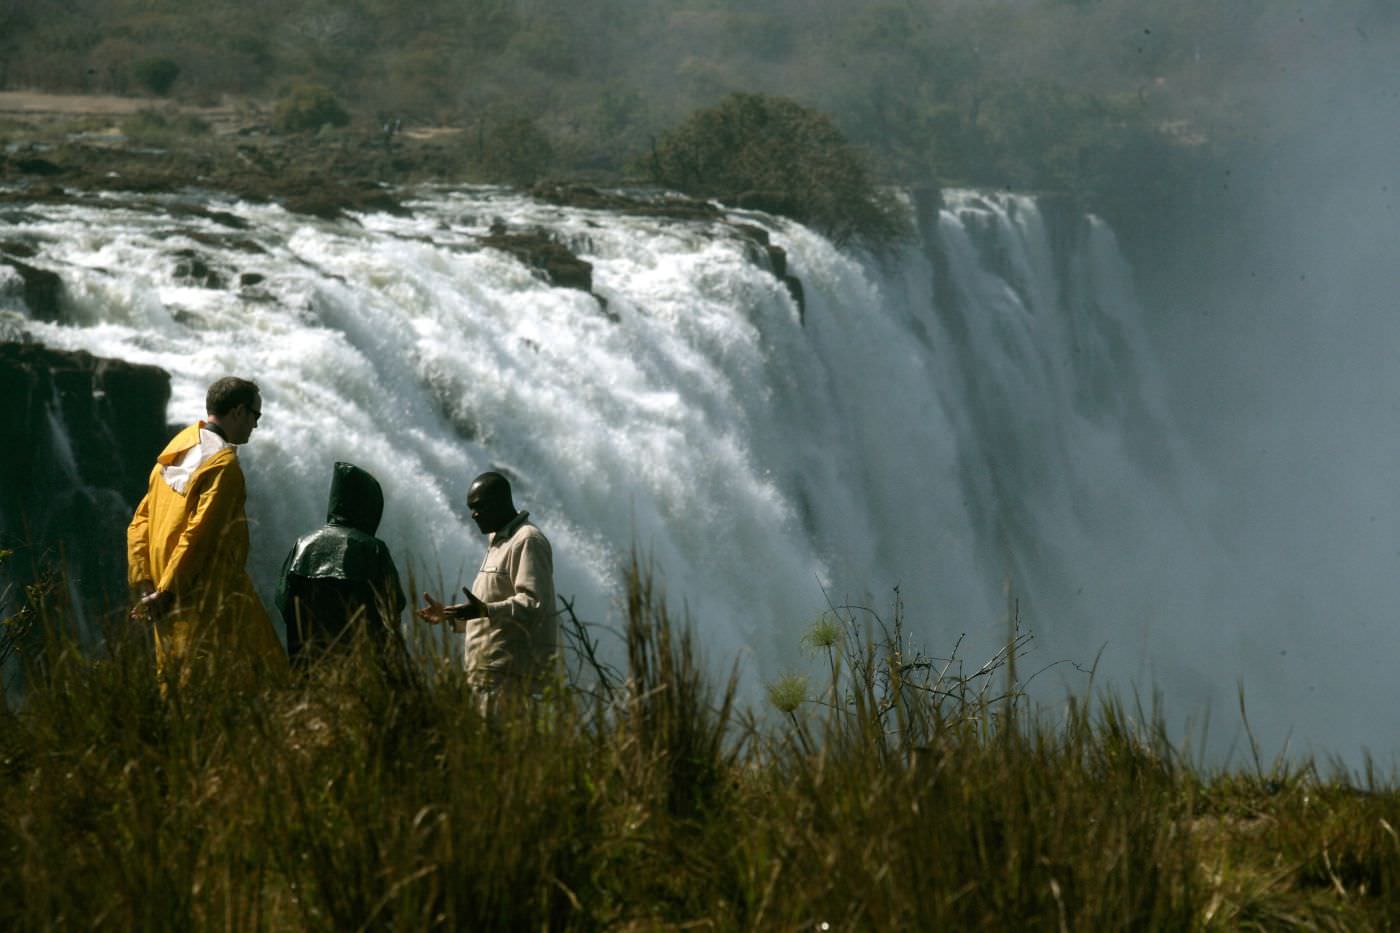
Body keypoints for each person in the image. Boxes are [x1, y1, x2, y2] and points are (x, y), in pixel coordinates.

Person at [126, 376, 286, 683]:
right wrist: (168, 593)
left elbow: (139, 524)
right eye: (256, 416)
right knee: (243, 689)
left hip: (162, 596)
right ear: (238, 412)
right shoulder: (222, 467)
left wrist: (145, 582)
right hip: (208, 601)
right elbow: (199, 536)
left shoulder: (172, 455)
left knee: (174, 690)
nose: (256, 426)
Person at [417, 471, 557, 698]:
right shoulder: (498, 541)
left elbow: (535, 604)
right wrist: (450, 615)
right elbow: (493, 607)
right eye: (470, 507)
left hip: (510, 679)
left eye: (479, 506)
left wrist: (485, 609)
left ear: (501, 502)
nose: (473, 514)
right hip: (487, 675)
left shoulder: (527, 540)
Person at [276, 461, 406, 668]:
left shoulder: (303, 544)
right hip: (361, 666)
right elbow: (393, 606)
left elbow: (283, 601)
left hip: (308, 661)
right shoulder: (372, 548)